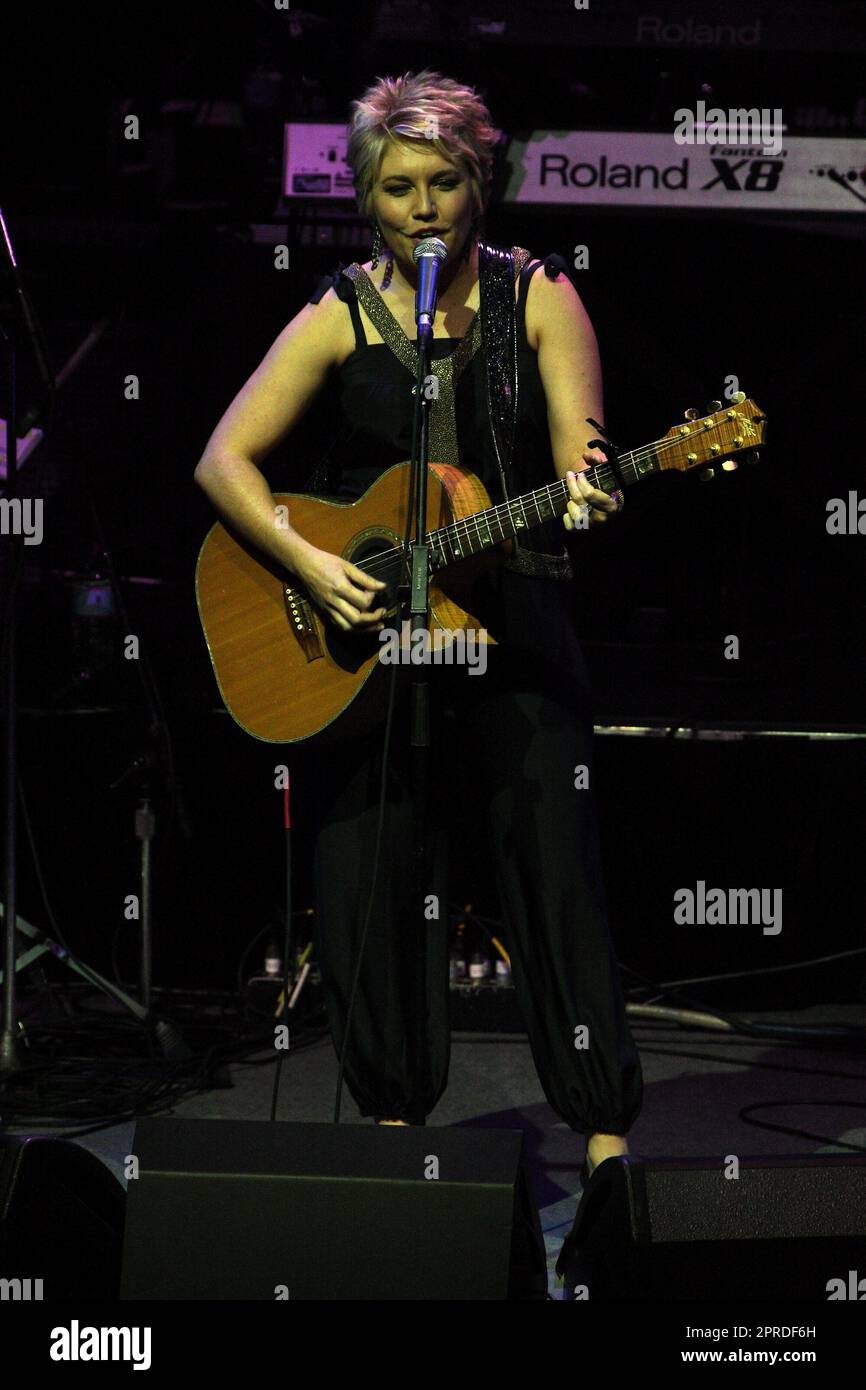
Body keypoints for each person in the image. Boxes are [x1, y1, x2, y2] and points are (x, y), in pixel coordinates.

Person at [194, 69, 643, 1177]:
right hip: (370, 647)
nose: (422, 208)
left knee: (553, 878)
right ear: (365, 196)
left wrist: (590, 480)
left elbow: (580, 446)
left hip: (512, 625)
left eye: (443, 182)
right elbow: (221, 460)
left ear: (479, 182)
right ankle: (396, 1150)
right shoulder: (337, 310)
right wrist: (311, 564)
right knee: (371, 880)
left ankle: (602, 1149)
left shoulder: (538, 295)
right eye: (398, 188)